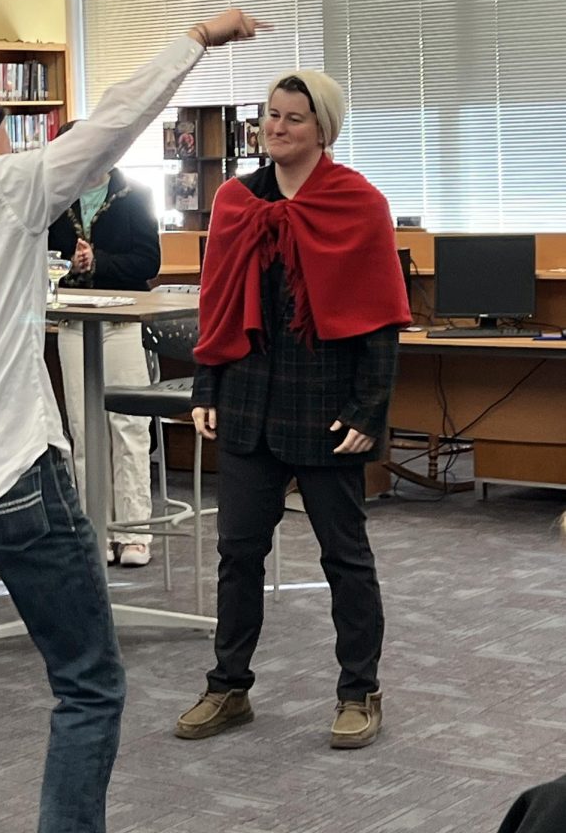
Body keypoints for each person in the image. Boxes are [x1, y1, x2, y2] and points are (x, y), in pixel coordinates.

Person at [0, 9, 265, 833]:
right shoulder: (7, 192)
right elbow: (114, 122)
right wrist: (197, 41)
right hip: (14, 473)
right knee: (89, 683)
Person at [174, 71, 411, 749]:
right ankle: (228, 688)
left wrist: (370, 410)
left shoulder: (357, 203)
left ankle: (359, 691)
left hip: (329, 408)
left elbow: (382, 319)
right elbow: (217, 304)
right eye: (271, 116)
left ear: (322, 129)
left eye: (293, 119)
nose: (276, 128)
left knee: (346, 556)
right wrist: (205, 388)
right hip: (248, 400)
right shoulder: (236, 200)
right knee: (237, 554)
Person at [49, 124, 161, 567]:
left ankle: (134, 532)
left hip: (121, 323)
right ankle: (93, 528)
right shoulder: (55, 201)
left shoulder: (135, 195)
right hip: (75, 325)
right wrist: (69, 264)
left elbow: (148, 261)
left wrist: (100, 261)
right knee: (81, 428)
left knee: (129, 429)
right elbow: (41, 258)